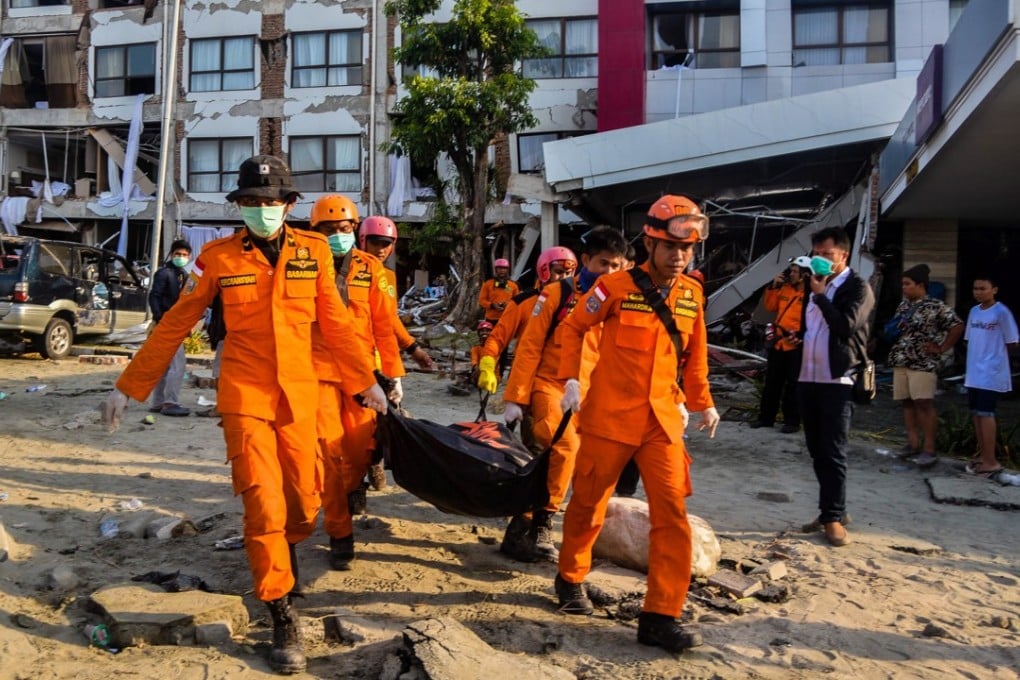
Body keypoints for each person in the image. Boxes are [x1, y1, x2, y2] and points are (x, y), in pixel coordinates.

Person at [103, 155, 387, 675]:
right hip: (245, 394)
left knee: (304, 498)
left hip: (300, 393)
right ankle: (280, 611)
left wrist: (366, 381)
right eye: (251, 204)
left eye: (270, 203)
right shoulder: (219, 258)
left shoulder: (315, 253)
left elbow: (338, 325)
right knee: (261, 499)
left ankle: (288, 548)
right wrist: (130, 383)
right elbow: (176, 323)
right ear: (240, 207)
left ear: (289, 205)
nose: (261, 211)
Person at [554, 196, 719, 654]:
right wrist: (572, 376)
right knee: (588, 503)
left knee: (672, 516)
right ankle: (570, 578)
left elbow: (696, 353)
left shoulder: (691, 295)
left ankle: (661, 614)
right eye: (670, 246)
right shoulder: (615, 286)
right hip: (609, 417)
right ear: (650, 241)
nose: (680, 256)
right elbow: (573, 327)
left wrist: (701, 401)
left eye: (687, 249)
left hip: (662, 422)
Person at [498, 228, 626, 562]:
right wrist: (515, 398)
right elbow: (529, 347)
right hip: (549, 385)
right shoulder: (557, 295)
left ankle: (523, 528)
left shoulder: (621, 300)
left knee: (579, 463)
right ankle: (543, 522)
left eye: (616, 265)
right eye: (603, 263)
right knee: (563, 448)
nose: (609, 272)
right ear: (585, 261)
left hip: (591, 394)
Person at [307, 196, 404, 571]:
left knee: (362, 448)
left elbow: (383, 325)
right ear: (314, 231)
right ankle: (339, 532)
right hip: (317, 374)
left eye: (344, 229)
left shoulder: (371, 270)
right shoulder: (299, 266)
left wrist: (393, 373)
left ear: (355, 230)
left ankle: (352, 490)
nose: (337, 236)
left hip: (363, 375)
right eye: (328, 230)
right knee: (329, 456)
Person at [796, 226, 874, 548]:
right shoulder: (813, 284)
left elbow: (844, 326)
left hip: (838, 380)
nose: (820, 261)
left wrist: (820, 296)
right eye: (816, 255)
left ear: (844, 254)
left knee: (833, 451)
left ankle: (833, 518)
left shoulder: (858, 287)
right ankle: (831, 510)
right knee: (817, 451)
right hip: (807, 377)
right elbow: (810, 327)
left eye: (827, 256)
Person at [887, 264, 964, 466]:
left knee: (923, 402)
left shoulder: (936, 306)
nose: (904, 288)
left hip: (923, 362)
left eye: (907, 284)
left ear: (920, 285)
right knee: (907, 401)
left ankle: (929, 448)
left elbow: (957, 325)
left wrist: (943, 347)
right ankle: (912, 443)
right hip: (902, 358)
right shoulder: (903, 306)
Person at [476, 246, 578, 395]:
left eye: (568, 273)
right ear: (544, 271)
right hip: (528, 377)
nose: (563, 278)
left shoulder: (579, 303)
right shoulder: (522, 302)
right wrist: (487, 364)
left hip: (564, 380)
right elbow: (498, 337)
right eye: (558, 272)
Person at [359, 216, 435, 372]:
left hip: (382, 352)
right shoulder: (348, 272)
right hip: (355, 351)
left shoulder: (388, 276)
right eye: (374, 243)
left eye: (385, 244)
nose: (380, 249)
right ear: (363, 241)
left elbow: (390, 317)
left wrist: (413, 348)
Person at [963, 275, 1018, 477]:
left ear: (994, 289)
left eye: (983, 288)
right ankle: (983, 456)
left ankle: (991, 461)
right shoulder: (974, 312)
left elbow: (1012, 342)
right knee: (977, 414)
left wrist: (996, 358)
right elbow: (970, 338)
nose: (978, 292)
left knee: (986, 414)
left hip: (991, 371)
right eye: (975, 288)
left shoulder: (1001, 312)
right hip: (974, 372)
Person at [751, 256, 808, 433]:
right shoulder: (785, 289)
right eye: (790, 270)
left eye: (795, 271)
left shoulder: (810, 295)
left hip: (796, 345)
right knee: (772, 383)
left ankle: (791, 421)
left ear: (805, 275)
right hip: (778, 343)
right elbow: (770, 306)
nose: (791, 274)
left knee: (794, 385)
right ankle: (766, 418)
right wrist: (773, 286)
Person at [147, 239, 193, 417]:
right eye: (178, 254)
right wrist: (160, 318)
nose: (181, 257)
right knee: (178, 365)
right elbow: (154, 296)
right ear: (171, 254)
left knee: (164, 366)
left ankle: (157, 402)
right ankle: (170, 402)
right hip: (167, 325)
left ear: (189, 257)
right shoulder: (165, 273)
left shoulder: (182, 274)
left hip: (174, 324)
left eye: (184, 255)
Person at [478, 257, 519, 324]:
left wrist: (508, 304)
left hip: (507, 317)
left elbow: (518, 301)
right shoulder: (488, 284)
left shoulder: (513, 285)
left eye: (504, 268)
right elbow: (481, 301)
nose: (502, 270)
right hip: (491, 318)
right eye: (500, 268)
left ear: (507, 270)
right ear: (496, 269)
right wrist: (492, 305)